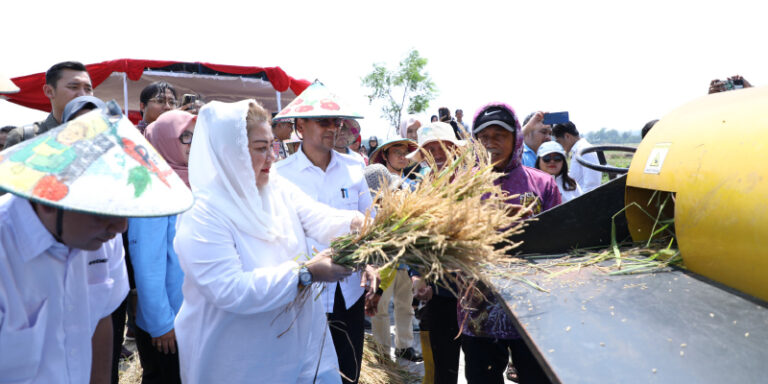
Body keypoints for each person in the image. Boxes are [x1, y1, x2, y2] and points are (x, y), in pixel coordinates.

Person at [0, 102, 192, 384]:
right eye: (105, 213)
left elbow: (102, 316)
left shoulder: (103, 239)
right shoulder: (7, 249)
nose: (121, 227)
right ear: (51, 200)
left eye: (126, 212)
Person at [174, 99, 364, 383]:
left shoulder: (276, 187)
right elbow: (228, 289)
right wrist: (304, 274)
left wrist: (357, 224)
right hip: (238, 358)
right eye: (261, 148)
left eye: (272, 146)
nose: (272, 157)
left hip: (297, 345)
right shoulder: (203, 212)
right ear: (230, 152)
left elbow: (317, 217)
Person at [274, 81, 376, 384]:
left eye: (336, 121)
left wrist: (370, 265)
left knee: (348, 370)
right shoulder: (280, 175)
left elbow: (369, 225)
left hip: (349, 291)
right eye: (323, 121)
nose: (333, 128)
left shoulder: (355, 167)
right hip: (304, 290)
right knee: (306, 371)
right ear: (300, 127)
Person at [464, 102, 559, 384]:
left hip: (533, 309)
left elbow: (559, 241)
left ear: (515, 138)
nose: (491, 143)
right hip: (479, 310)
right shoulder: (461, 186)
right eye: (484, 137)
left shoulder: (542, 185)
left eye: (500, 136)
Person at [128, 110, 196, 384]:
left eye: (196, 136)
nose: (193, 143)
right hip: (169, 323)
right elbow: (147, 263)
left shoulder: (196, 180)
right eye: (185, 136)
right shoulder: (153, 189)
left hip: (194, 317)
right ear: (164, 140)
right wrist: (160, 324)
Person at [404, 121, 467, 383]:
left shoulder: (473, 183)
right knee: (442, 368)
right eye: (430, 149)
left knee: (482, 366)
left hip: (474, 288)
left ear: (455, 148)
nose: (438, 154)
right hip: (437, 291)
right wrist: (418, 277)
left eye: (443, 147)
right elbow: (410, 239)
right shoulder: (417, 189)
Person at [367, 138, 422, 362]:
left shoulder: (409, 186)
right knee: (379, 307)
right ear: (385, 156)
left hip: (405, 258)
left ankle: (404, 346)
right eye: (396, 152)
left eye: (404, 153)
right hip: (382, 260)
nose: (402, 156)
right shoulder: (372, 182)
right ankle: (381, 351)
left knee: (405, 305)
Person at [4, 61, 93, 149]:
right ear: (49, 91)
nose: (82, 95)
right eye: (74, 87)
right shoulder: (25, 137)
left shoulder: (101, 134)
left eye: (88, 89)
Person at [552, 121, 602, 193]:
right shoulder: (577, 151)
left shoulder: (585, 151)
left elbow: (592, 186)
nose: (560, 146)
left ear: (567, 136)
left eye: (559, 141)